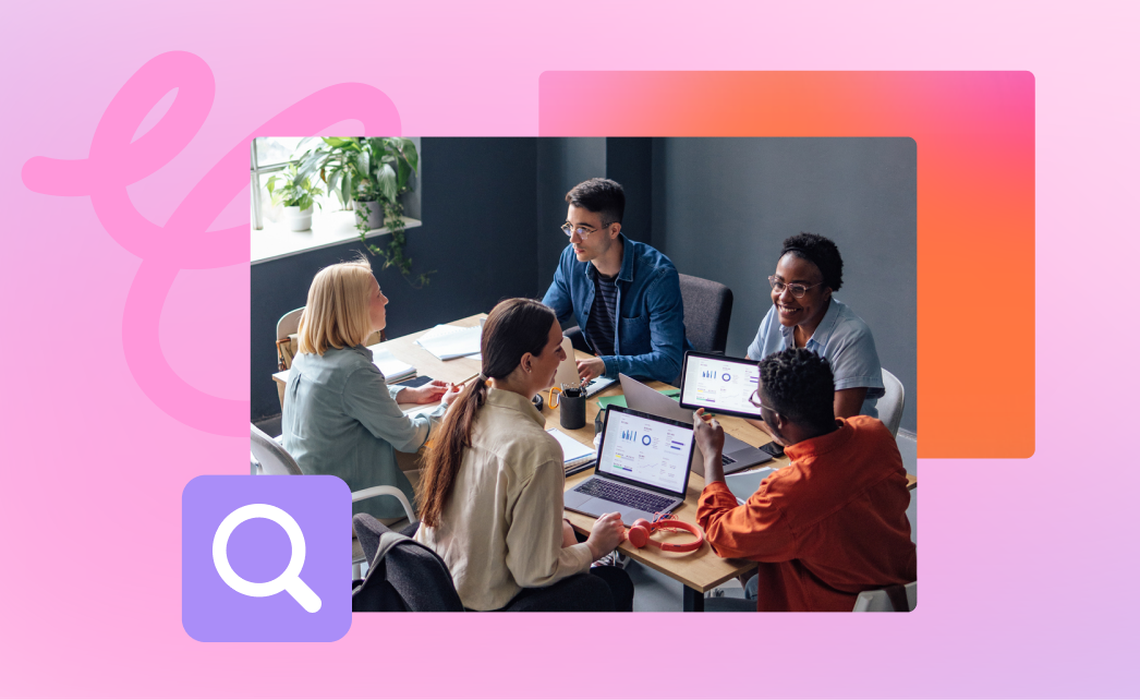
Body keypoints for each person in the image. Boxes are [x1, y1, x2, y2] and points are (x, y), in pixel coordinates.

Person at [414, 298, 633, 611]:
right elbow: (534, 572)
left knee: (564, 531)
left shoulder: (460, 412)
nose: (563, 356)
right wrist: (594, 547)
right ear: (527, 362)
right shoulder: (538, 450)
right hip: (484, 607)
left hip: (441, 586)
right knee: (611, 584)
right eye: (558, 348)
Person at [694, 348, 915, 612]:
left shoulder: (789, 494)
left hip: (827, 612)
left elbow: (720, 534)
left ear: (778, 419)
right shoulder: (875, 433)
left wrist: (711, 455)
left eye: (758, 402)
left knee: (706, 609)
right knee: (757, 573)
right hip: (900, 596)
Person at [281, 254, 461, 521]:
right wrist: (447, 408)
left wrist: (406, 393)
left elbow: (344, 397)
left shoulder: (309, 354)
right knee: (455, 480)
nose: (386, 300)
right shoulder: (353, 370)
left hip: (311, 497)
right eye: (379, 295)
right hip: (352, 507)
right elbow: (410, 438)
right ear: (356, 308)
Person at [541, 178, 689, 384]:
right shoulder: (571, 259)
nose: (573, 239)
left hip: (652, 386)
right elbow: (544, 319)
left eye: (583, 229)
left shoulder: (658, 277)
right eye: (569, 226)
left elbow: (668, 362)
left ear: (613, 230)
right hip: (604, 380)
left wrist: (606, 364)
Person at [747, 232, 884, 419]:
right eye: (779, 284)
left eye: (798, 289)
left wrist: (768, 425)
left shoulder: (852, 337)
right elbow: (744, 384)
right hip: (779, 435)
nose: (784, 298)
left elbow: (836, 430)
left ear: (826, 292)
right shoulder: (776, 314)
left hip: (835, 446)